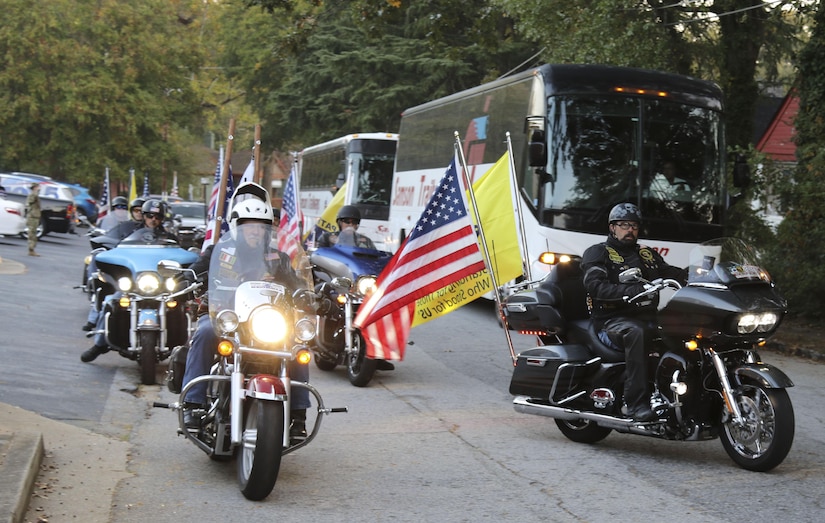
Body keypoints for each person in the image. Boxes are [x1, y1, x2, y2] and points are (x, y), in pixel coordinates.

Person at [180, 183, 312, 443]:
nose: (254, 230)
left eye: (260, 225)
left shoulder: (277, 258)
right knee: (206, 331)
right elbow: (195, 271)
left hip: (267, 321)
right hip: (226, 318)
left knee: (296, 347)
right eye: (248, 225)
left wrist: (311, 295)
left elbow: (298, 285)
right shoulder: (219, 253)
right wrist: (187, 280)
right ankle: (193, 405)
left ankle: (298, 415)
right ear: (236, 226)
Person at [581, 203, 686, 422]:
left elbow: (672, 274)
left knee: (682, 327)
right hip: (611, 322)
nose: (630, 230)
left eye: (634, 226)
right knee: (636, 333)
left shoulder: (647, 254)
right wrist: (633, 290)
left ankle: (678, 395)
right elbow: (595, 286)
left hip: (647, 318)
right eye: (624, 225)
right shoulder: (599, 252)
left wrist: (703, 273)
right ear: (612, 228)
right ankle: (635, 403)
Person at [81, 199, 177, 362]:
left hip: (160, 284)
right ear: (144, 216)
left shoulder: (169, 237)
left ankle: (184, 345)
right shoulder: (128, 232)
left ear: (162, 219)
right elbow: (113, 244)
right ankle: (100, 344)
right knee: (111, 301)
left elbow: (179, 255)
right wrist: (108, 250)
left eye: (157, 216)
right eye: (150, 215)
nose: (153, 219)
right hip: (134, 282)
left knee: (181, 306)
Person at [81, 197, 150, 332]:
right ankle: (94, 320)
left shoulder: (155, 232)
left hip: (145, 270)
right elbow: (111, 238)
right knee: (109, 296)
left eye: (142, 211)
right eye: (136, 210)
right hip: (125, 267)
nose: (139, 214)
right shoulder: (124, 227)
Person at [25, 183, 41, 256]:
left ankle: (32, 249)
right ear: (35, 187)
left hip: (35, 216)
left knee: (33, 233)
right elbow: (29, 203)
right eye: (38, 187)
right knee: (32, 233)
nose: (39, 188)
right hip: (32, 216)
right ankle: (31, 249)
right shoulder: (33, 195)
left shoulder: (35, 195)